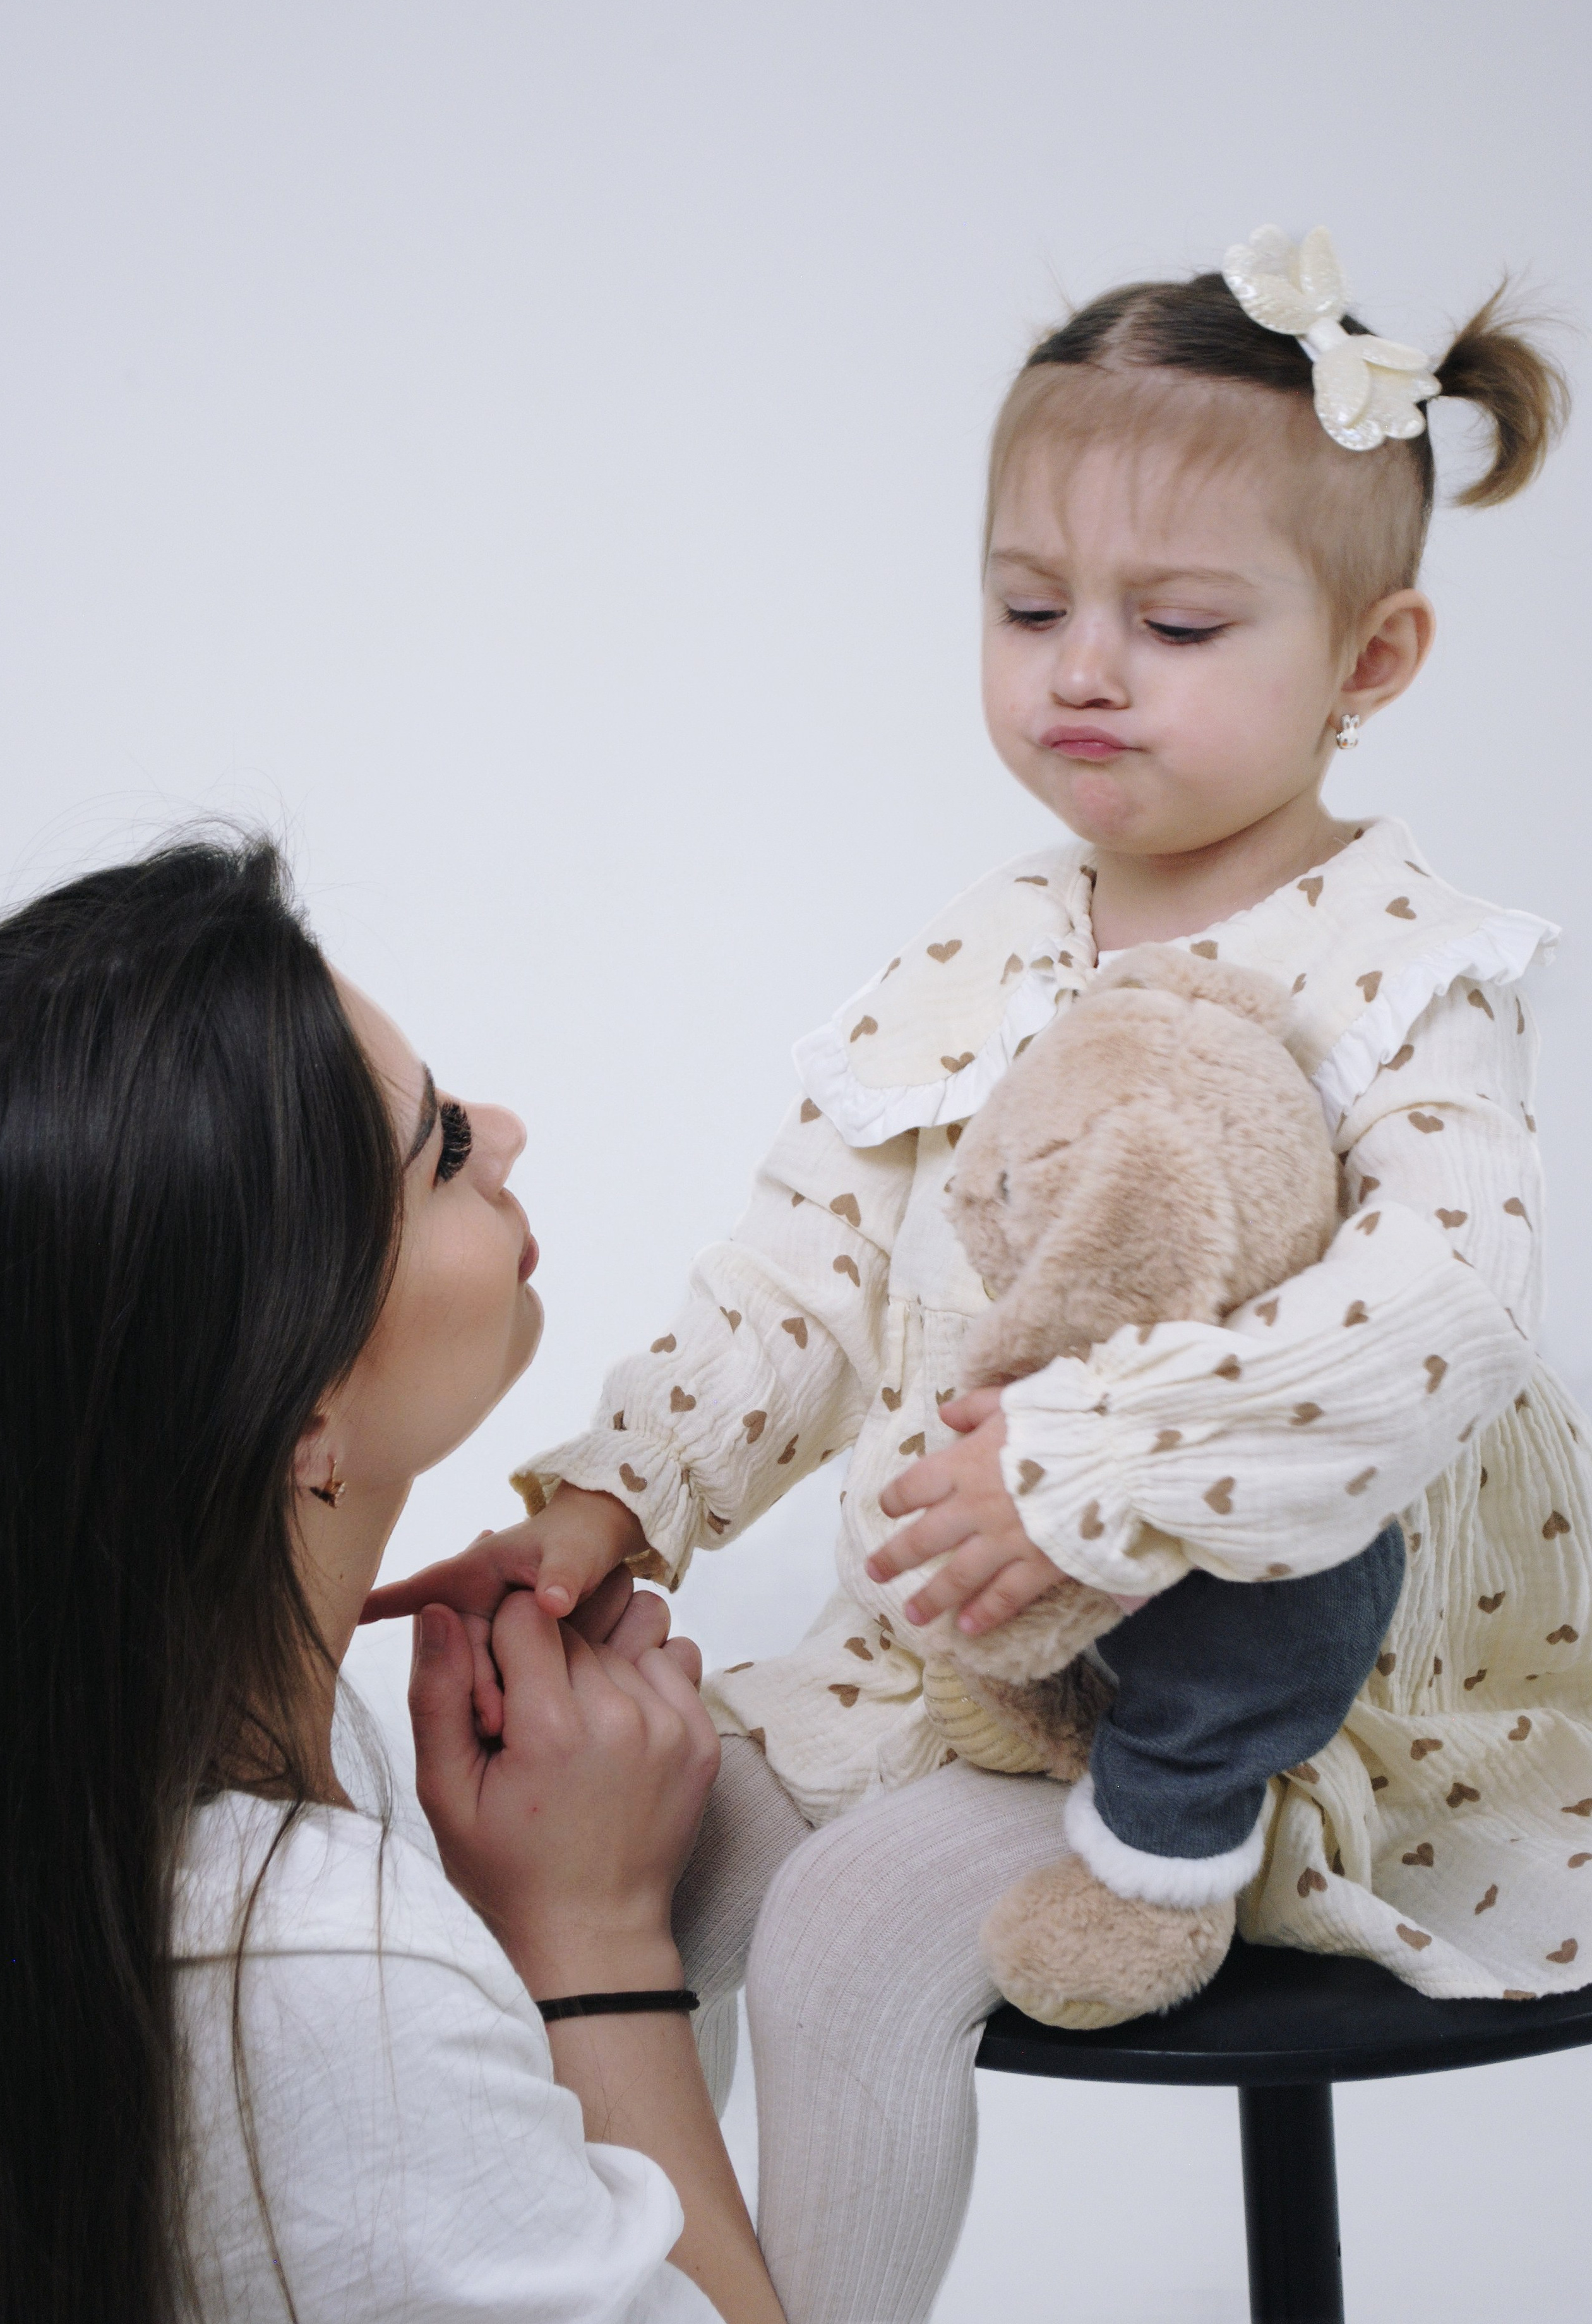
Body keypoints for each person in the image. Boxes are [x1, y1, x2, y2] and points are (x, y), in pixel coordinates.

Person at [368, 226, 1591, 2321]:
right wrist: (617, 1499)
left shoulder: (1404, 965)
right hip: (958, 1672)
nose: (1083, 670)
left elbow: (1448, 1308)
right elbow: (802, 1269)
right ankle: (642, 2303)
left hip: (1240, 1712)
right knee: (649, 1847)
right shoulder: (987, 947)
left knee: (851, 1944)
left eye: (1176, 623)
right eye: (1029, 608)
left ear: (1373, 658)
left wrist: (1094, 1465)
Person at [0, 838, 786, 2324]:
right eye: (445, 1152)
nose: (509, 1133)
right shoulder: (312, 1976)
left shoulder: (158, 1800)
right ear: (299, 1414)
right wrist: (592, 1941)